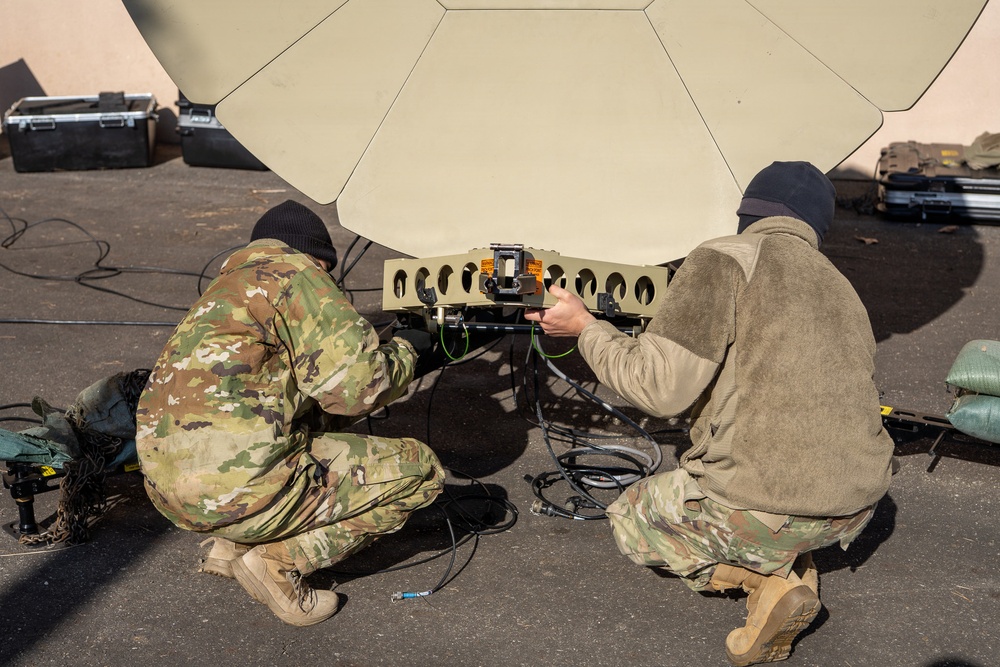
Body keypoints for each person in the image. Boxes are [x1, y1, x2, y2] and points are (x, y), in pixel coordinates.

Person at [524, 162, 894, 666]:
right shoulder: (843, 287)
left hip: (766, 508)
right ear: (816, 227)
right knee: (775, 505)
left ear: (748, 212)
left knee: (632, 518)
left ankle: (765, 582)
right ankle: (784, 555)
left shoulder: (725, 257)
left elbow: (657, 389)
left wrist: (586, 327)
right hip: (856, 511)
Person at [135, 200, 444, 627]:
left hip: (169, 494)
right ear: (317, 258)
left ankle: (230, 548)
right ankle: (278, 565)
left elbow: (318, 401)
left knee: (310, 419)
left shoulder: (226, 289)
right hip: (235, 491)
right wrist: (410, 348)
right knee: (421, 471)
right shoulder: (298, 276)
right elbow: (358, 389)